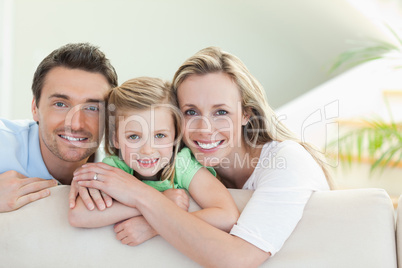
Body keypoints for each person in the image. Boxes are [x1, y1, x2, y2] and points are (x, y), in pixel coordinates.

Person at [74, 47, 331, 267]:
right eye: (191, 112)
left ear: (246, 114)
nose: (204, 129)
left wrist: (150, 214)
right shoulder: (185, 162)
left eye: (221, 112)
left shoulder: (287, 161)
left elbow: (236, 258)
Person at [69, 77, 239, 244]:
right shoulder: (114, 169)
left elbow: (227, 216)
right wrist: (157, 201)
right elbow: (78, 215)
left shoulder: (182, 165)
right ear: (116, 139)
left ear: (175, 135)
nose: (147, 150)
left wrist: (155, 225)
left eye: (160, 136)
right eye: (134, 137)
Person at [0, 43, 118, 212]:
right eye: (60, 104)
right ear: (35, 108)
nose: (76, 124)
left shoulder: (121, 167)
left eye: (92, 108)